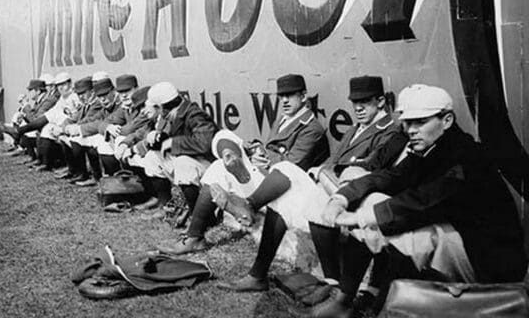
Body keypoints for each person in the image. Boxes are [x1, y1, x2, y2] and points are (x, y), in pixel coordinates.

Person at [308, 84, 528, 317]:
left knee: (405, 233)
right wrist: (342, 198)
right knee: (375, 204)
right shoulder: (434, 147)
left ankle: (384, 304)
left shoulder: (466, 156)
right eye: (408, 122)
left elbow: (422, 201)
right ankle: (347, 300)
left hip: (490, 262)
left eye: (420, 122)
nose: (411, 129)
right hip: (460, 242)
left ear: (447, 120)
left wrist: (360, 218)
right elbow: (389, 177)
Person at [215, 76, 406, 296]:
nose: (358, 107)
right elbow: (334, 159)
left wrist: (326, 171)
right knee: (283, 203)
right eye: (354, 102)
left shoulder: (389, 130)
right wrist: (322, 170)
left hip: (354, 195)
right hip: (330, 187)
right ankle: (259, 275)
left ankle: (248, 205)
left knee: (287, 168)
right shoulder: (355, 129)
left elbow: (372, 167)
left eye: (366, 101)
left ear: (381, 101)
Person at [158, 74, 330, 255]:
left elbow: (293, 167)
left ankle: (200, 233)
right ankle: (197, 234)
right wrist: (256, 149)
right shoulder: (283, 118)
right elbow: (272, 149)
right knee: (220, 158)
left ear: (303, 96)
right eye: (281, 96)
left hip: (283, 188)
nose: (285, 101)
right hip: (267, 174)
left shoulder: (311, 127)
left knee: (220, 169)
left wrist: (266, 157)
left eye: (290, 95)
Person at [139, 81, 218, 228]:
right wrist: (155, 138)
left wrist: (172, 143)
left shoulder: (195, 114)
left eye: (159, 108)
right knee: (152, 158)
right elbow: (163, 140)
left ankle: (199, 218)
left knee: (183, 163)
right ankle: (168, 207)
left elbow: (204, 143)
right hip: (193, 162)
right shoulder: (170, 115)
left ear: (162, 107)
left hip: (210, 167)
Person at [54, 76, 105, 180]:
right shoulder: (85, 104)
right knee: (65, 138)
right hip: (87, 131)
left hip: (95, 132)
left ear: (92, 91)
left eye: (83, 93)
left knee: (78, 139)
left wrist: (65, 129)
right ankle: (74, 170)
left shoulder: (97, 103)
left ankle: (89, 174)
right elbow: (73, 118)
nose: (81, 96)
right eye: (78, 94)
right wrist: (62, 127)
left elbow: (87, 120)